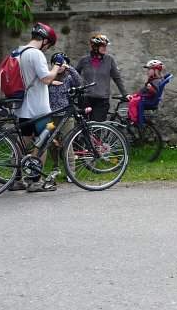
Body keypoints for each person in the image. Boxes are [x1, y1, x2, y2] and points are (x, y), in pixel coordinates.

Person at [11, 23, 67, 192]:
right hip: (39, 108)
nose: (47, 48)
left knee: (22, 144)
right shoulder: (36, 54)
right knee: (42, 143)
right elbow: (46, 79)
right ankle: (35, 181)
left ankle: (16, 180)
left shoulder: (18, 52)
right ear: (44, 40)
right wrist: (57, 65)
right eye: (48, 44)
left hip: (22, 107)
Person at [76, 33, 129, 121]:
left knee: (96, 128)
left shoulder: (109, 59)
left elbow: (117, 78)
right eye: (102, 46)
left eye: (105, 46)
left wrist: (125, 94)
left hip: (101, 100)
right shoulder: (84, 60)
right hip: (85, 99)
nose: (105, 48)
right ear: (95, 46)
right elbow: (74, 75)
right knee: (83, 128)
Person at [46, 51, 82, 181]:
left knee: (67, 143)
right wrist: (50, 83)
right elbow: (39, 85)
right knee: (52, 143)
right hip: (51, 115)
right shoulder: (48, 77)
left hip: (66, 116)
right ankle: (55, 168)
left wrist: (69, 68)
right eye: (58, 63)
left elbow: (78, 82)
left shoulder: (68, 78)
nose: (61, 65)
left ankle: (71, 172)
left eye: (63, 63)